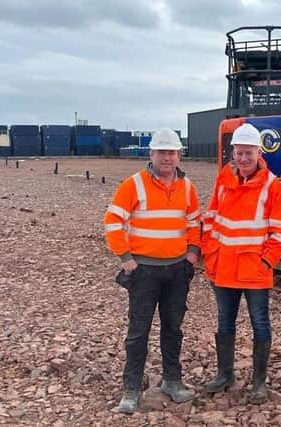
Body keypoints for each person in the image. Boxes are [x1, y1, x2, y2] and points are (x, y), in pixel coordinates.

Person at [103, 128, 201, 414]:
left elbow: (194, 222)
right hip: (144, 271)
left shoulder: (187, 186)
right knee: (138, 331)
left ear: (178, 155)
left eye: (172, 152)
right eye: (162, 152)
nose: (167, 158)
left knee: (173, 328)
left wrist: (193, 253)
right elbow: (113, 220)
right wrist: (125, 257)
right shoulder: (134, 184)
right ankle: (131, 389)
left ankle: (172, 380)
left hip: (176, 271)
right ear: (151, 154)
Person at [201, 123, 281, 404]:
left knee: (260, 324)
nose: (243, 158)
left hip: (254, 269)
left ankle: (259, 383)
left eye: (248, 153)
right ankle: (225, 374)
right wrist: (210, 252)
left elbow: (280, 232)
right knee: (224, 323)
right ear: (233, 153)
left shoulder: (272, 186)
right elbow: (211, 219)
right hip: (225, 267)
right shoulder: (224, 180)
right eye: (238, 153)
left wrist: (266, 262)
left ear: (259, 152)